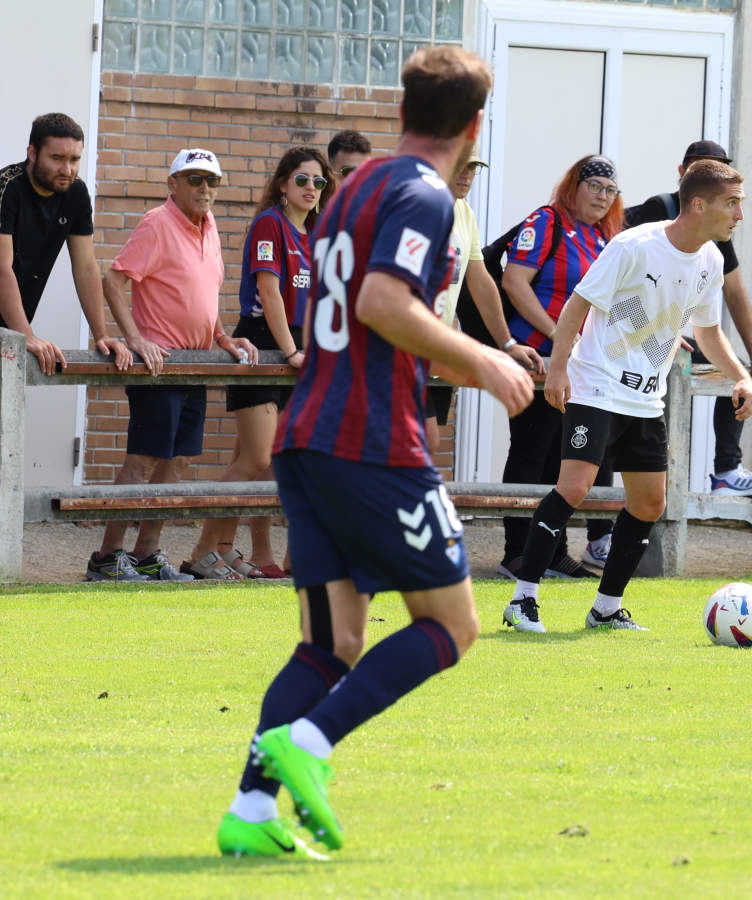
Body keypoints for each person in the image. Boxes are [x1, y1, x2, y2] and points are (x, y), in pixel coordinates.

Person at [217, 46, 535, 858]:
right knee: (454, 626)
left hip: (306, 438)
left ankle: (250, 815)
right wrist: (485, 360)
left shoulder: (354, 187)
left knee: (330, 645)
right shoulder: (425, 194)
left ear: (402, 111)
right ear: (472, 125)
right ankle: (311, 745)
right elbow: (384, 302)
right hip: (371, 444)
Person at [502, 159, 752, 633]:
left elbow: (708, 330)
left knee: (649, 504)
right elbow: (577, 303)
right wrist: (558, 370)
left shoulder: (711, 259)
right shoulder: (635, 245)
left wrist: (739, 376)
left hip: (646, 398)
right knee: (574, 488)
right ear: (698, 204)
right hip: (596, 383)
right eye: (733, 203)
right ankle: (522, 600)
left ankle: (605, 607)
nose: (739, 214)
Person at [88, 148, 258, 582]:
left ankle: (147, 556)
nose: (205, 189)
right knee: (143, 461)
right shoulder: (156, 223)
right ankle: (107, 558)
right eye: (195, 179)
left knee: (178, 463)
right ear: (173, 184)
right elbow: (113, 280)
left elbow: (203, 295)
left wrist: (222, 337)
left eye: (212, 181)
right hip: (159, 365)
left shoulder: (210, 226)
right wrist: (134, 338)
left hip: (196, 364)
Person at [184, 147, 333, 580]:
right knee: (256, 458)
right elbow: (270, 295)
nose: (310, 188)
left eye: (318, 182)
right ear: (283, 184)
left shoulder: (317, 233)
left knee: (263, 460)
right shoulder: (270, 223)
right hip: (265, 339)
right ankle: (201, 551)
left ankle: (226, 549)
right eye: (302, 180)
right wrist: (289, 352)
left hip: (299, 342)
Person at [623, 139, 752, 499]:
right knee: (605, 453)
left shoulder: (716, 227)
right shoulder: (657, 213)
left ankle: (727, 470)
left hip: (665, 341)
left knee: (735, 369)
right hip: (620, 342)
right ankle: (600, 535)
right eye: (702, 171)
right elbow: (621, 287)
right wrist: (653, 335)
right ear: (683, 177)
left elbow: (735, 291)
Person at [497, 154, 624, 579]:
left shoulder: (604, 238)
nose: (603, 196)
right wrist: (558, 336)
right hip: (537, 358)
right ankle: (516, 553)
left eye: (611, 190)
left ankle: (552, 553)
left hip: (579, 367)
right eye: (595, 186)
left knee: (565, 459)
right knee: (531, 452)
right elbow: (514, 282)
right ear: (574, 186)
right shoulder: (547, 221)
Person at [0, 112, 146, 374]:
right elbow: (1, 268)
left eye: (74, 160)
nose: (67, 170)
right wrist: (26, 336)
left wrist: (101, 335)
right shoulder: (5, 188)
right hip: (12, 332)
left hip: (8, 333)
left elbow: (86, 267)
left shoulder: (75, 193)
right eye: (57, 159)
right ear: (32, 153)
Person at [424, 150, 541, 451]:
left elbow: (480, 282)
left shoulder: (464, 212)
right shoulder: (416, 208)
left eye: (473, 168)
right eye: (460, 165)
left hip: (438, 351)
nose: (467, 174)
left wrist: (507, 344)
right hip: (406, 348)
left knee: (426, 445)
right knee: (421, 443)